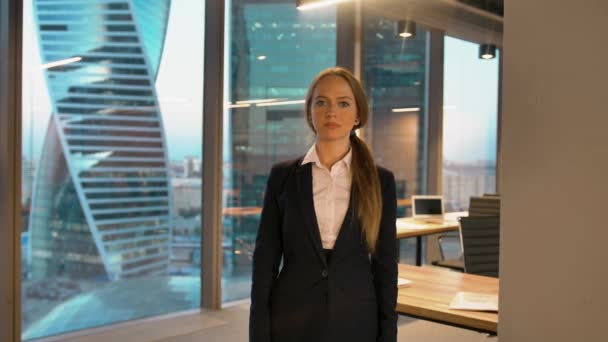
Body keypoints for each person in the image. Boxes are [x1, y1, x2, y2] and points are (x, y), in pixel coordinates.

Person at [249, 67, 398, 342]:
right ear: (310, 112)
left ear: (357, 115)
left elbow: (386, 267)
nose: (332, 111)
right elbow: (265, 260)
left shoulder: (381, 181)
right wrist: (258, 331)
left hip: (356, 320)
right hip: (291, 319)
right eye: (322, 102)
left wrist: (388, 333)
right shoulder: (283, 177)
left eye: (343, 103)